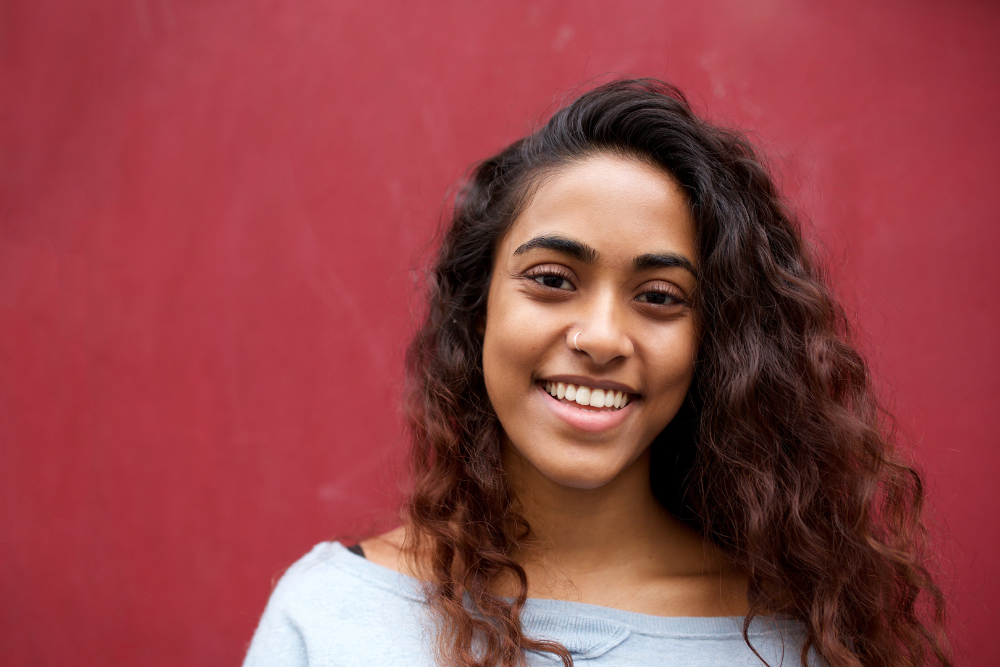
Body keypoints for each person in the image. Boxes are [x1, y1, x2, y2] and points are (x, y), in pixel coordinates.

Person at [242, 79, 950, 667]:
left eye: (659, 296)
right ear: (477, 308)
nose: (603, 337)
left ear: (716, 342)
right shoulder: (331, 617)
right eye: (552, 278)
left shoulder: (793, 639)